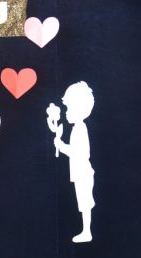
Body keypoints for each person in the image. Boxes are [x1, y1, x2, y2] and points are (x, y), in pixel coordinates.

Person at [47, 81, 96, 243]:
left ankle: (87, 231)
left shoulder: (80, 129)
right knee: (83, 202)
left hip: (83, 173)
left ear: (79, 110)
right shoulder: (77, 128)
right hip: (81, 172)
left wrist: (61, 146)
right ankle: (86, 230)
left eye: (68, 109)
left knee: (85, 203)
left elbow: (78, 153)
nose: (66, 113)